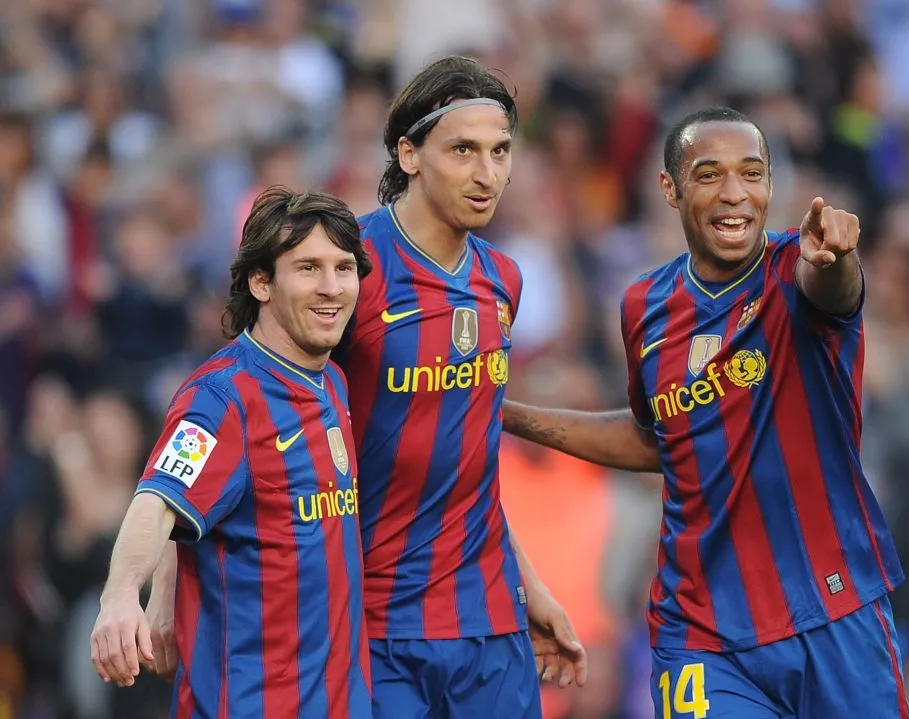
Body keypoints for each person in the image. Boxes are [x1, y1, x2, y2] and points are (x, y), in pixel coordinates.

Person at [146, 56, 586, 718]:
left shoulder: (503, 279)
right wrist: (164, 577)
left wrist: (532, 584)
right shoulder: (350, 270)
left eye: (500, 151)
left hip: (490, 618)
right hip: (377, 624)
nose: (486, 172)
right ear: (408, 153)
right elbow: (242, 410)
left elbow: (466, 457)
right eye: (463, 149)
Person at [502, 107, 909, 718]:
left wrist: (839, 259)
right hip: (701, 629)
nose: (734, 194)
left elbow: (835, 289)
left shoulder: (796, 269)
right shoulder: (644, 306)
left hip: (833, 609)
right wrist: (504, 413)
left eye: (752, 173)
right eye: (710, 174)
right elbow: (658, 441)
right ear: (671, 188)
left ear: (771, 186)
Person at [90, 187, 374, 718]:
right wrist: (122, 596)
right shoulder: (222, 399)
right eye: (309, 268)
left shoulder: (332, 380)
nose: (332, 287)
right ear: (261, 282)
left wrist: (169, 589)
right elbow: (159, 500)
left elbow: (205, 504)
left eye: (343, 268)